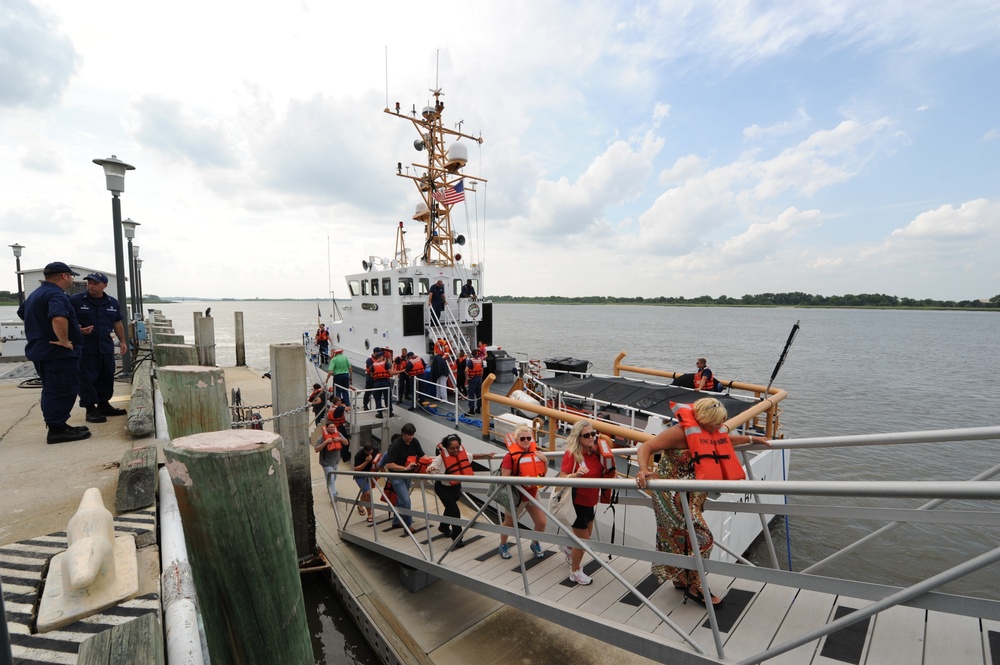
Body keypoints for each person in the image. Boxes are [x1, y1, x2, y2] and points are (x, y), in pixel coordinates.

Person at [635, 397, 769, 606]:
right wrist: (644, 468)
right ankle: (695, 586)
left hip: (692, 498)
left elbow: (725, 440)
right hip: (671, 497)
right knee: (702, 540)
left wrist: (750, 439)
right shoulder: (678, 433)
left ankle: (681, 579)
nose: (719, 427)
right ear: (703, 419)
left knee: (684, 540)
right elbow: (646, 447)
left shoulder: (711, 431)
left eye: (720, 423)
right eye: (715, 423)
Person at [18, 262, 90, 444]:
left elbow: (23, 313)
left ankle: (58, 425)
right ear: (64, 276)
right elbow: (58, 317)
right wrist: (64, 340)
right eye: (71, 276)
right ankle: (57, 429)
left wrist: (74, 330)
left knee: (52, 388)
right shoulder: (56, 294)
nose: (73, 280)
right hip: (56, 353)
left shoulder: (36, 294)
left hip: (42, 350)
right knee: (62, 389)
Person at [69, 272, 127, 424]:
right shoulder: (75, 300)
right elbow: (66, 321)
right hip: (86, 347)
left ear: (104, 285)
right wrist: (78, 331)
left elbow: (117, 323)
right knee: (87, 378)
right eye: (89, 283)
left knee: (106, 375)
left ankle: (104, 404)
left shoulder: (112, 302)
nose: (91, 285)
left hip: (105, 346)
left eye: (95, 283)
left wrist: (123, 341)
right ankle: (90, 409)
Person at [426, 434, 495, 546]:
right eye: (452, 448)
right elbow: (432, 466)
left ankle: (443, 527)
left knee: (450, 509)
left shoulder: (461, 454)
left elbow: (472, 456)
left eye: (457, 447)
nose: (455, 450)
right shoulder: (440, 458)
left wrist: (486, 455)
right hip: (443, 488)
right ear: (446, 448)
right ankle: (457, 538)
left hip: (456, 487)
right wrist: (430, 469)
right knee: (455, 512)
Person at [557, 420, 603, 586]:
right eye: (587, 435)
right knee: (584, 542)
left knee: (584, 539)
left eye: (593, 434)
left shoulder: (596, 452)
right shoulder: (572, 454)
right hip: (577, 502)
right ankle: (574, 572)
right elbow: (562, 478)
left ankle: (569, 548)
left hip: (591, 502)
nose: (591, 437)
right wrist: (575, 475)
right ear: (578, 437)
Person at [497, 425, 548, 561]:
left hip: (532, 493)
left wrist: (545, 461)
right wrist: (520, 480)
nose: (526, 441)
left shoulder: (536, 453)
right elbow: (504, 478)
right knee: (509, 523)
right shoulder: (509, 457)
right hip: (516, 495)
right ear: (517, 440)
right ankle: (502, 545)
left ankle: (535, 543)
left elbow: (542, 475)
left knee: (541, 522)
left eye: (528, 438)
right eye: (522, 438)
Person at [380, 423, 425, 530]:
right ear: (403, 434)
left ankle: (396, 522)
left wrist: (431, 464)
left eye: (412, 435)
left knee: (401, 500)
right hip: (396, 476)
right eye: (408, 435)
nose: (411, 437)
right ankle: (408, 525)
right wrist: (404, 468)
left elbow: (422, 455)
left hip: (408, 475)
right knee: (406, 500)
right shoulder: (395, 445)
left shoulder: (414, 442)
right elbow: (389, 464)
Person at [314, 423, 348, 506]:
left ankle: (330, 488)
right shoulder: (322, 438)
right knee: (331, 480)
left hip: (336, 461)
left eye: (333, 427)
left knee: (334, 478)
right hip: (326, 463)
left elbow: (346, 443)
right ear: (327, 428)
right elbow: (316, 449)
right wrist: (325, 442)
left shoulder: (338, 434)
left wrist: (339, 439)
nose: (332, 428)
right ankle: (333, 497)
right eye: (330, 427)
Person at [353, 440, 377, 524]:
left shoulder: (376, 451)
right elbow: (356, 469)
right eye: (366, 451)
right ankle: (370, 514)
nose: (368, 453)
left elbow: (378, 459)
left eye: (370, 451)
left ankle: (360, 505)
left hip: (370, 474)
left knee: (365, 494)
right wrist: (366, 461)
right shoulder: (359, 455)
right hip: (360, 476)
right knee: (368, 493)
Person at [326, 395, 351, 462]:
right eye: (340, 400)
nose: (341, 401)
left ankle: (340, 454)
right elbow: (348, 408)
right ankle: (345, 456)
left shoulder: (332, 407)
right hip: (339, 427)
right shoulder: (339, 408)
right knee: (345, 441)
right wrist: (345, 406)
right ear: (337, 402)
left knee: (338, 441)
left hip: (334, 427)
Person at [371, 350, 393, 418]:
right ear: (381, 357)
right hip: (385, 382)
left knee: (377, 398)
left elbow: (371, 375)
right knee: (388, 397)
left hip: (377, 383)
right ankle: (390, 412)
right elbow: (391, 373)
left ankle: (380, 413)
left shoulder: (373, 365)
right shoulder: (385, 363)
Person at [465, 349, 484, 415]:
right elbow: (482, 369)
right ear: (477, 353)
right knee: (479, 394)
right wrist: (481, 376)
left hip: (472, 379)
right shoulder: (480, 360)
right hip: (479, 378)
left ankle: (471, 410)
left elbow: (466, 370)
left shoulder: (471, 361)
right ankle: (478, 409)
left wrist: (467, 378)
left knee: (471, 394)